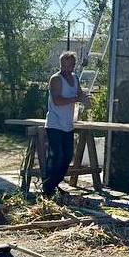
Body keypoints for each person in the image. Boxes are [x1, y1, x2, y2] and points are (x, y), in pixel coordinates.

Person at [43, 51, 89, 198]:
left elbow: (80, 94)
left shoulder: (75, 78)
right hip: (54, 124)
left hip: (68, 124)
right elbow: (57, 100)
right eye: (64, 64)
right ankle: (48, 189)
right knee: (56, 156)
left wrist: (85, 100)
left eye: (69, 65)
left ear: (74, 65)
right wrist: (76, 99)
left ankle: (54, 185)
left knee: (67, 156)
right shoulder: (56, 79)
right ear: (61, 64)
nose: (66, 68)